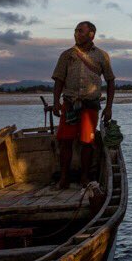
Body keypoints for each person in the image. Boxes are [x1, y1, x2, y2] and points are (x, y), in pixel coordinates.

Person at [51, 21, 115, 189]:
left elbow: (110, 81)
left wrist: (109, 108)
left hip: (90, 105)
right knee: (65, 141)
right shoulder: (67, 55)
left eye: (80, 31)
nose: (76, 34)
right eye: (75, 31)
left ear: (91, 34)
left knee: (88, 141)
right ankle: (64, 178)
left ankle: (84, 177)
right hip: (70, 104)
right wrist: (56, 102)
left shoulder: (101, 56)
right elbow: (59, 79)